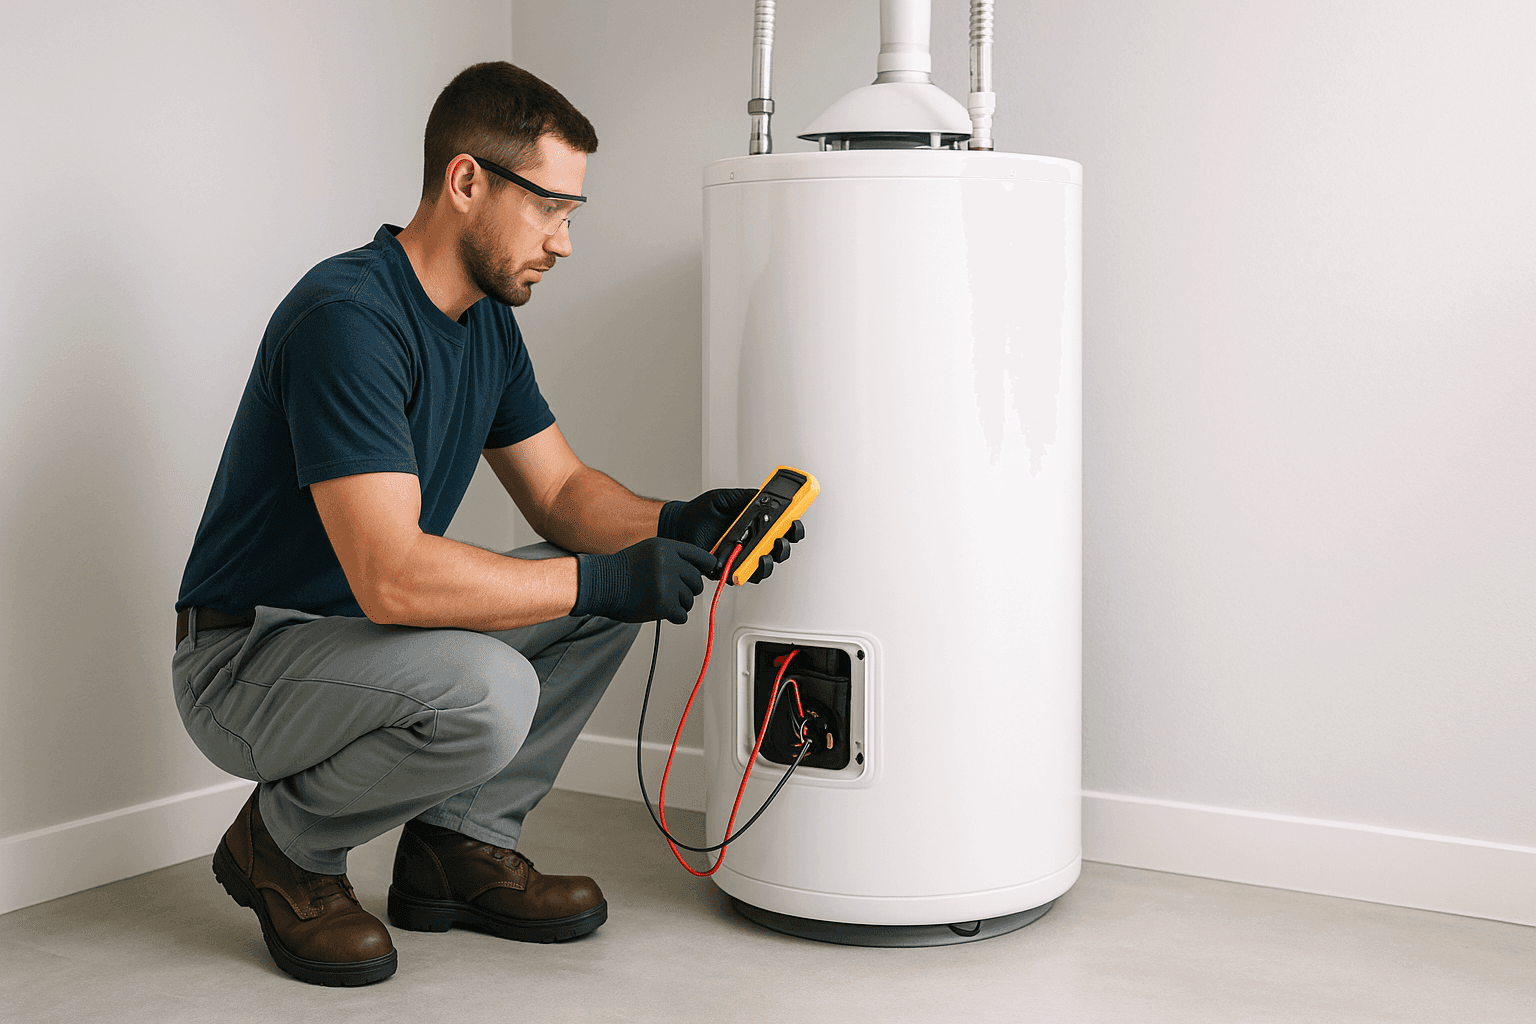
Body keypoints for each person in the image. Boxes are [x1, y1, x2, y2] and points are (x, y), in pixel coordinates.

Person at [171, 61, 798, 987]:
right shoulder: (347, 319)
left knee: (598, 577)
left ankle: (457, 851)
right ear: (466, 182)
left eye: (571, 215)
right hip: (249, 662)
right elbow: (391, 577)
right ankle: (282, 847)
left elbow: (561, 495)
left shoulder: (482, 324)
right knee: (492, 684)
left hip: (358, 643)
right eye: (551, 207)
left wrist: (677, 521)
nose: (566, 242)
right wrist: (606, 573)